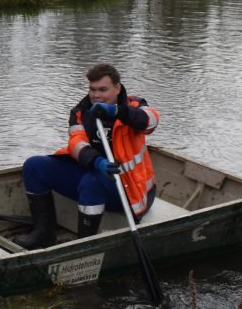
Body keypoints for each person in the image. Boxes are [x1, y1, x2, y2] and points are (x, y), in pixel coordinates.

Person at [15, 63, 160, 249]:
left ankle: (85, 246)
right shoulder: (80, 112)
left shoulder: (135, 105)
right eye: (92, 89)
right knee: (34, 166)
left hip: (129, 188)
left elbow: (151, 122)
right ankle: (43, 234)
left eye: (102, 90)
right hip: (95, 171)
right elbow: (76, 143)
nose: (96, 95)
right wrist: (96, 161)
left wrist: (118, 112)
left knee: (92, 182)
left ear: (117, 88)